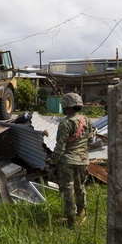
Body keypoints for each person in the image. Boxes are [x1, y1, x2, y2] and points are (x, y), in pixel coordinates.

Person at [48, 92, 96, 228]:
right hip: (83, 161)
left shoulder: (66, 123)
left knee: (67, 190)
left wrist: (53, 162)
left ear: (67, 106)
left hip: (67, 162)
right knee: (80, 187)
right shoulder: (86, 120)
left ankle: (70, 221)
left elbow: (60, 146)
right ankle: (81, 213)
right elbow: (91, 140)